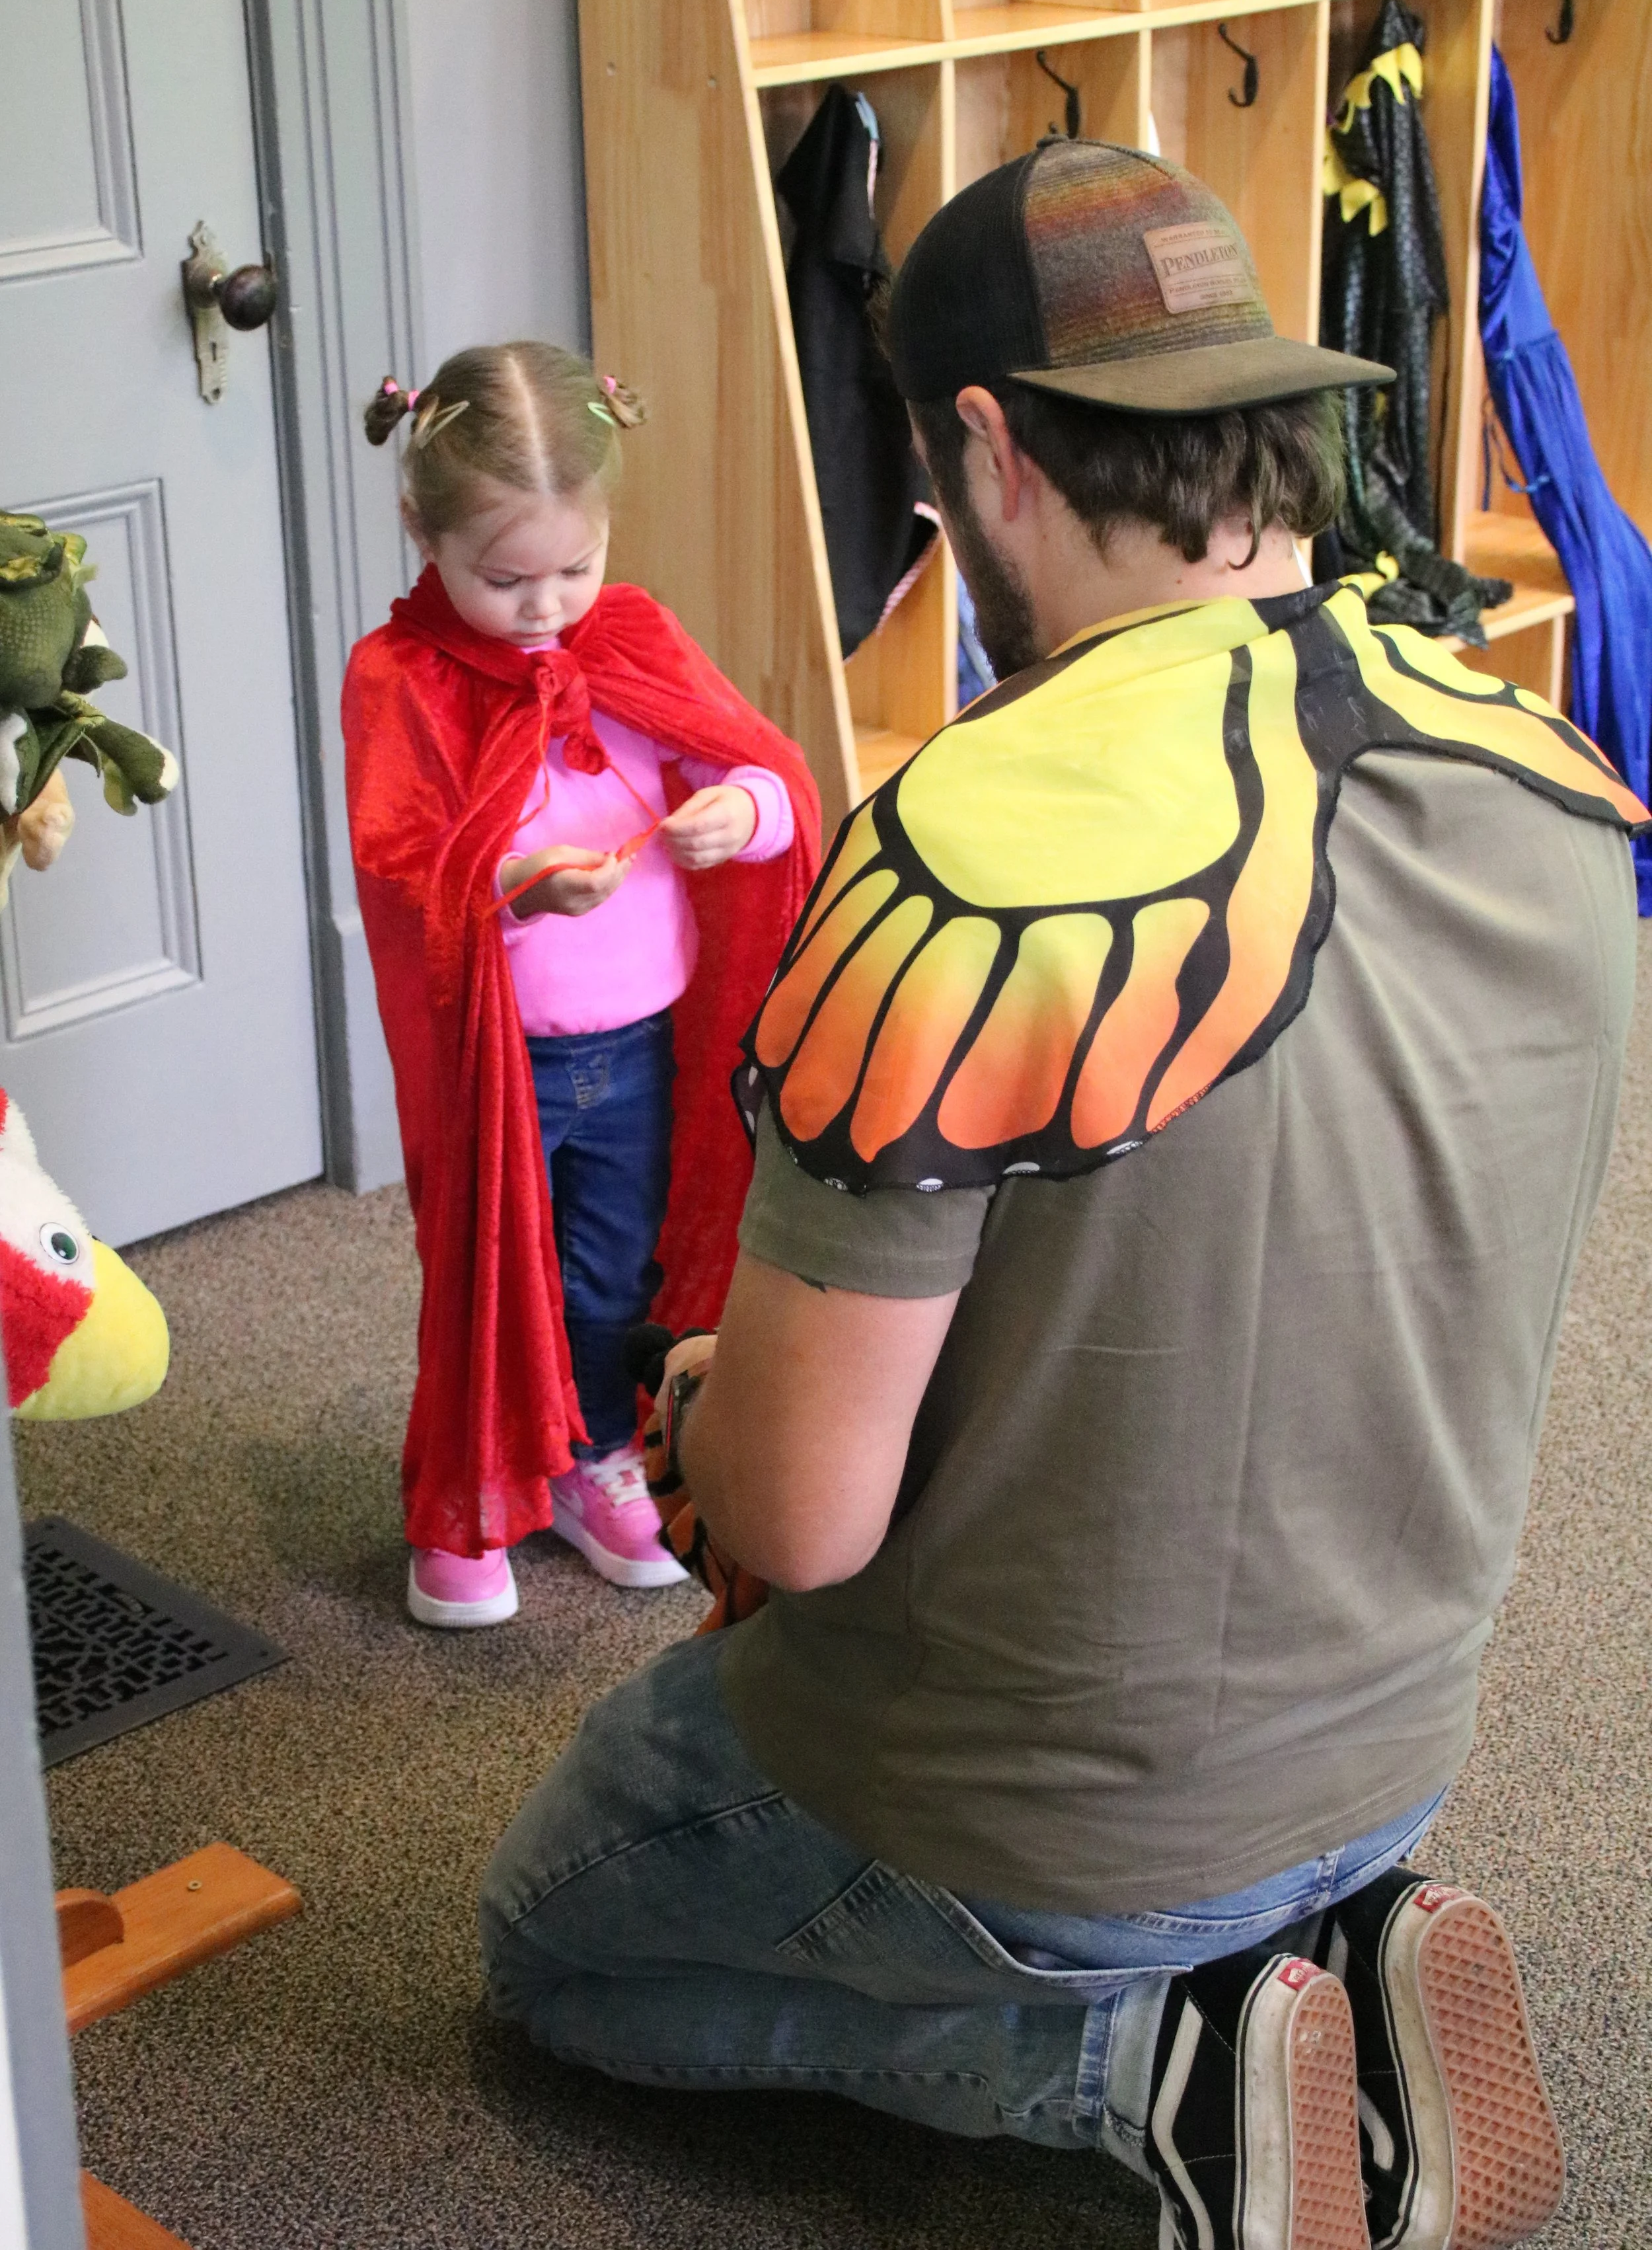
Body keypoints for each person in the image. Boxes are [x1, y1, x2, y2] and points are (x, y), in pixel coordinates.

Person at [478, 151, 1645, 2245]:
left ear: (989, 451)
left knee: (556, 1938)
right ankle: (1321, 1949)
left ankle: (1137, 2061)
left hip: (1048, 1817)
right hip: (1399, 1738)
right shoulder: (1545, 772)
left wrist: (717, 1403)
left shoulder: (970, 832)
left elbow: (801, 1523)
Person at [342, 344, 819, 1628]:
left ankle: (594, 1455)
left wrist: (743, 811)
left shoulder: (634, 638)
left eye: (574, 566)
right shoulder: (401, 679)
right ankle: (477, 1491)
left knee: (611, 1275)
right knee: (492, 1272)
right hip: (497, 1058)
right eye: (504, 579)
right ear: (420, 534)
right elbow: (399, 863)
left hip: (642, 1040)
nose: (547, 606)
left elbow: (761, 773)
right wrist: (507, 883)